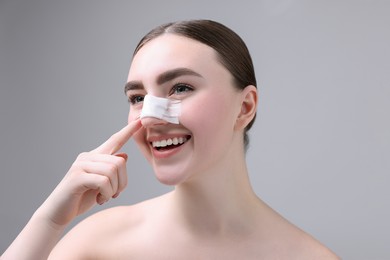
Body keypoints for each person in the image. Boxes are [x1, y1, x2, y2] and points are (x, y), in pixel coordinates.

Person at [2, 19, 339, 259]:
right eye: (137, 98)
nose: (150, 115)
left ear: (245, 106)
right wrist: (48, 220)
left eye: (180, 88)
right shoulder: (98, 243)